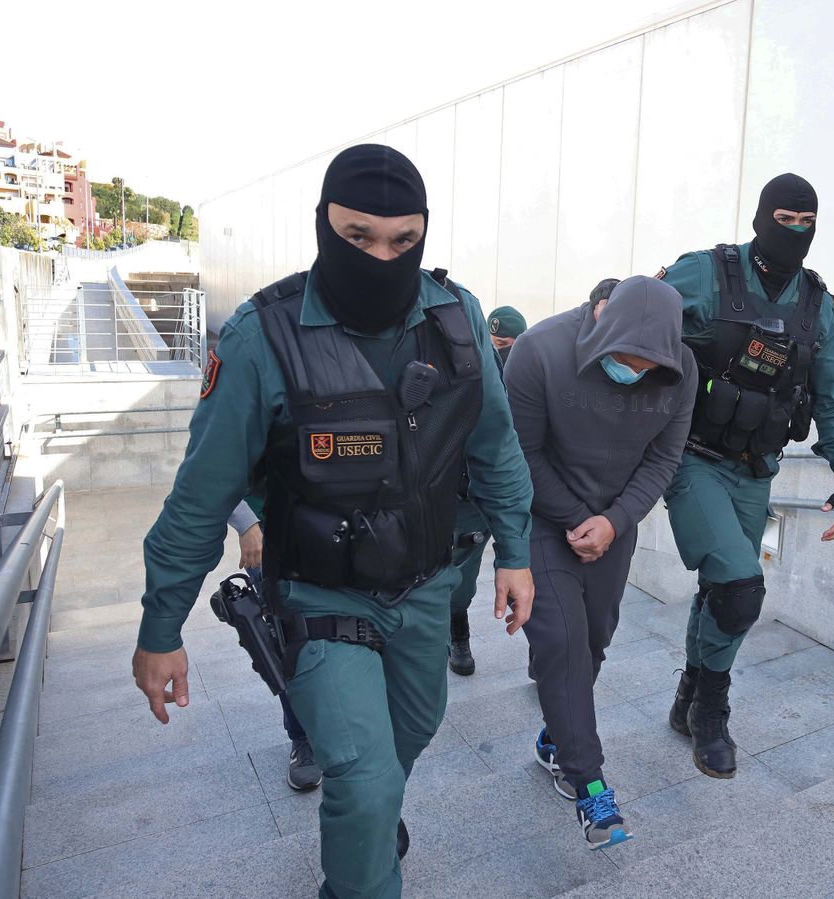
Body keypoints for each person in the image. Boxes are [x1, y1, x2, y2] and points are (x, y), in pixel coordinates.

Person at [131, 144, 536, 899]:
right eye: (358, 238)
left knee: (409, 735)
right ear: (323, 225)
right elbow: (200, 496)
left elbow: (496, 442)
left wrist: (516, 549)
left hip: (422, 585)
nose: (382, 257)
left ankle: (370, 827)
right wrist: (161, 627)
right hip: (319, 595)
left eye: (402, 242)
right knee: (365, 772)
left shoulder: (458, 319)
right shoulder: (263, 336)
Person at [656, 173, 834, 779]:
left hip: (755, 471)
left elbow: (833, 394)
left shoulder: (817, 306)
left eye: (808, 221)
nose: (796, 231)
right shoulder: (705, 272)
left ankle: (689, 693)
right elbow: (639, 326)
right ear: (760, 218)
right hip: (692, 456)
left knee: (722, 589)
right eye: (785, 219)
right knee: (742, 585)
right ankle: (711, 713)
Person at [506, 275, 696, 848]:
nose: (633, 371)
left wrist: (615, 521)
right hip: (543, 517)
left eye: (646, 365)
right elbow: (520, 452)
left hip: (615, 525)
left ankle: (555, 739)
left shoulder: (681, 372)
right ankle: (591, 787)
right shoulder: (538, 351)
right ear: (599, 315)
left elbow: (665, 459)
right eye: (623, 359)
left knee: (593, 642)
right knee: (561, 640)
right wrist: (572, 518)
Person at [446, 305, 528, 676]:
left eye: (506, 344)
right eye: (493, 343)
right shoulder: (470, 369)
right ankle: (453, 633)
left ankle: (457, 628)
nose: (499, 351)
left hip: (496, 495)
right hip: (453, 492)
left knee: (465, 578)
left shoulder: (531, 378)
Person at [228, 498, 321, 790]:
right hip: (272, 534)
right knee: (286, 640)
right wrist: (247, 525)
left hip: (340, 528)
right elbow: (214, 471)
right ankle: (303, 740)